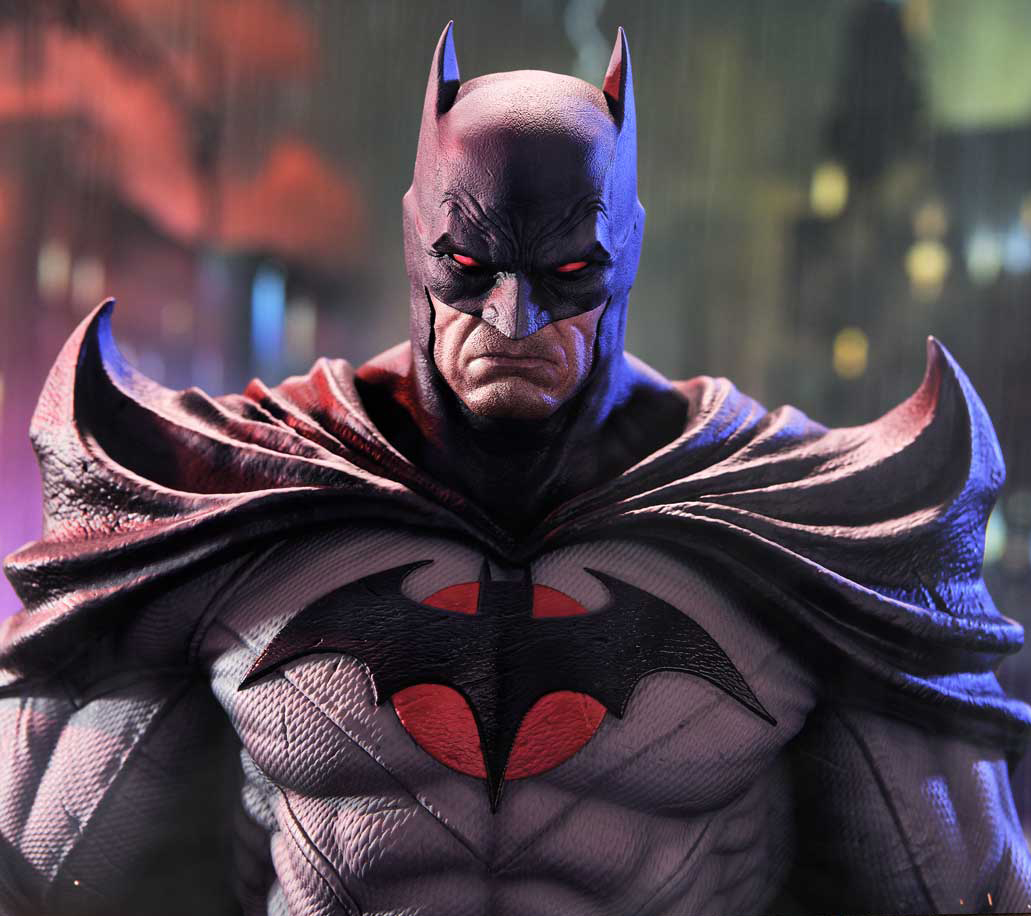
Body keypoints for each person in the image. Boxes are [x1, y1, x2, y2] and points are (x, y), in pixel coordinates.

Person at [1, 23, 1029, 916]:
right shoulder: (244, 491)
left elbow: (968, 890)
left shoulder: (783, 514)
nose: (512, 317)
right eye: (469, 266)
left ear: (625, 252)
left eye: (566, 272)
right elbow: (35, 874)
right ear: (417, 240)